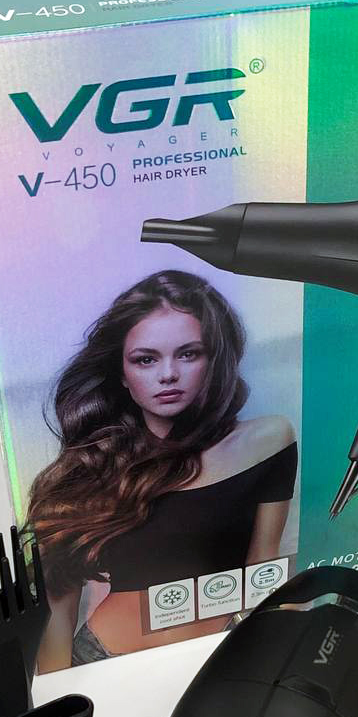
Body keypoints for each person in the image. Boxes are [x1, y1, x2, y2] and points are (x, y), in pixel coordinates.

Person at [28, 270, 297, 669]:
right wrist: (60, 695)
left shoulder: (266, 441)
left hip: (222, 653)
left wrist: (275, 661)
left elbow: (263, 567)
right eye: (146, 359)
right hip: (102, 661)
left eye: (188, 354)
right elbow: (57, 610)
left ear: (214, 359)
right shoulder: (85, 473)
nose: (168, 374)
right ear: (122, 374)